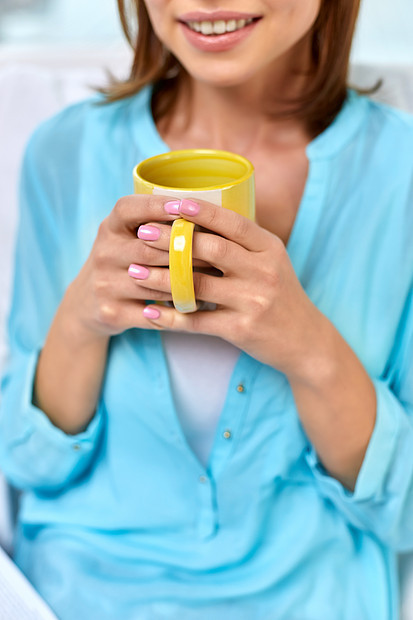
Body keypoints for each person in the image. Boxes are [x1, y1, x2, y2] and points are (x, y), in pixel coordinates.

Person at [0, 0, 412, 618]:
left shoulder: (398, 172)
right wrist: (82, 318)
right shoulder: (65, 151)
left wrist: (310, 348)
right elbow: (27, 464)